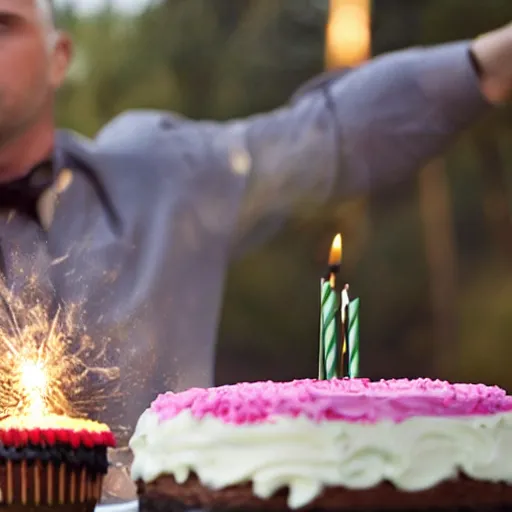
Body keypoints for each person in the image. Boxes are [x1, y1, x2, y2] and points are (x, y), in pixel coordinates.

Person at [0, 0, 511, 455]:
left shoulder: (162, 175)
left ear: (59, 57)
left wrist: (489, 64)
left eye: (5, 24)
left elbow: (324, 136)